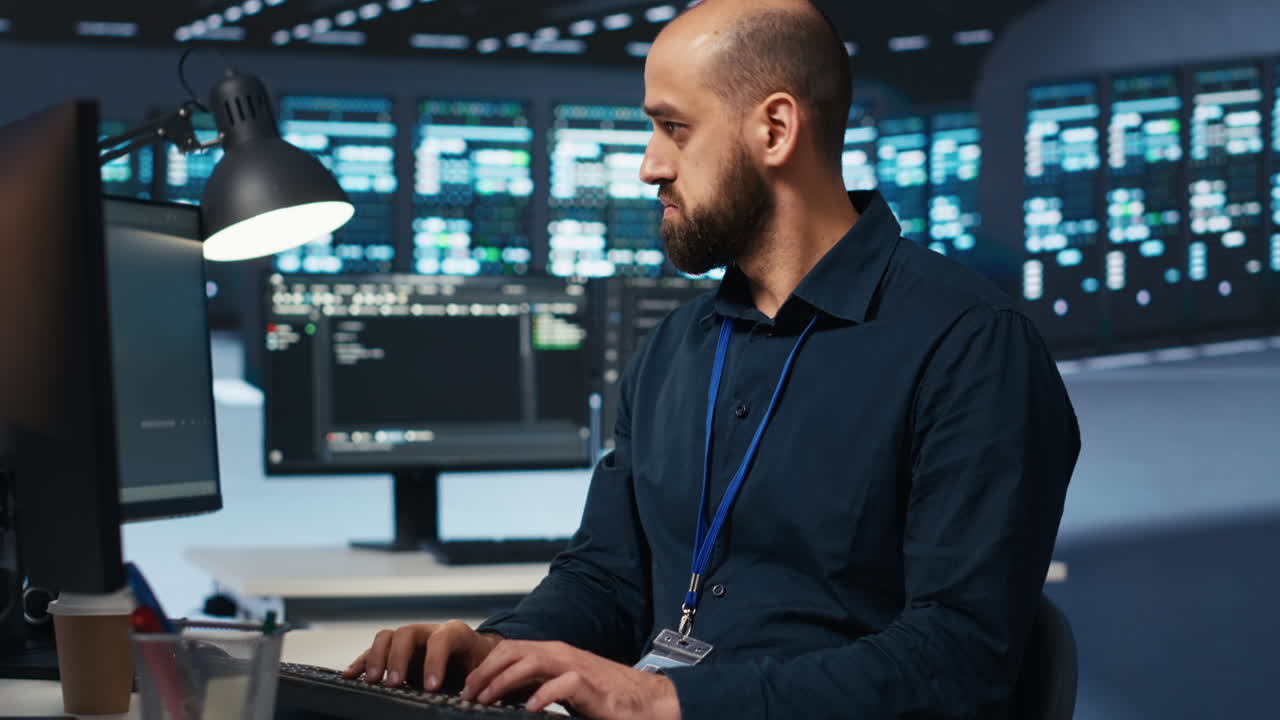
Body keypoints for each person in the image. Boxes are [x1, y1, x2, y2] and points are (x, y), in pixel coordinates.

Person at [342, 0, 1081, 717]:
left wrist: (669, 699)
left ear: (776, 128)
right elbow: (607, 579)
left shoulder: (972, 347)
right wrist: (496, 650)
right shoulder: (675, 348)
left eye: (674, 128)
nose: (649, 167)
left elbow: (958, 663)